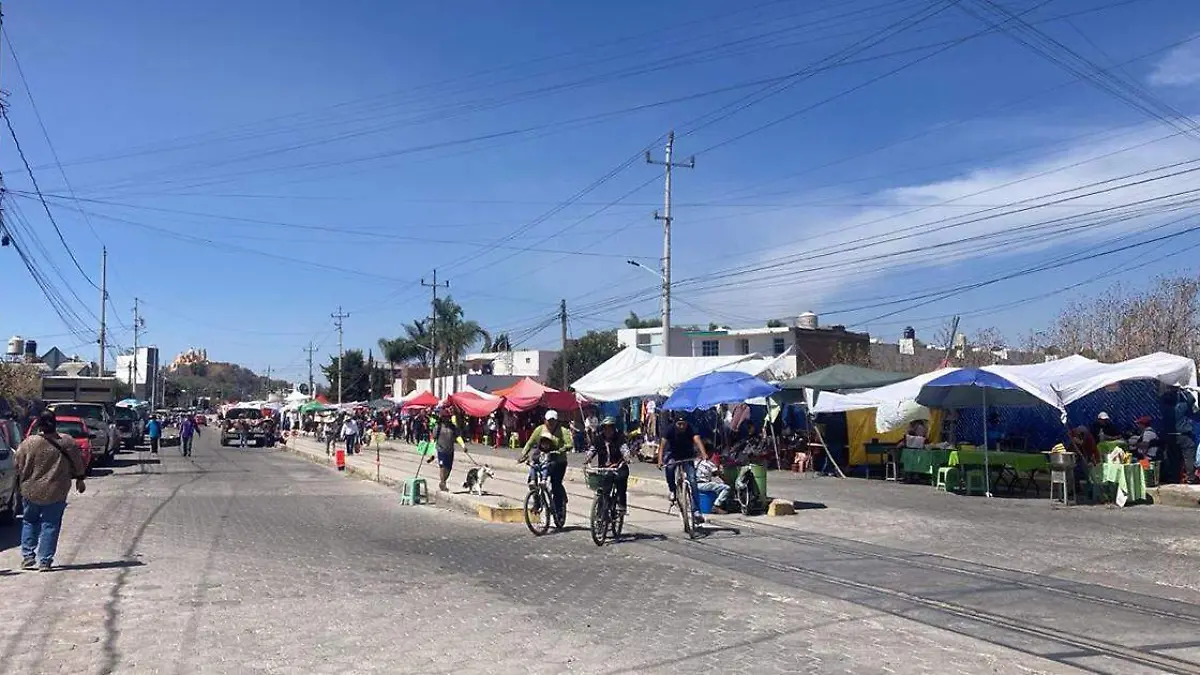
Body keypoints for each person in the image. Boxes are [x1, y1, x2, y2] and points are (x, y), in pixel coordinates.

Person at [14, 411, 86, 571]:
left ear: (39, 424)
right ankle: (45, 560)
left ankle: (27, 556)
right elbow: (77, 461)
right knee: (50, 524)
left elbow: (17, 464)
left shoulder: (28, 443)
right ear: (55, 424)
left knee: (29, 521)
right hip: (56, 490)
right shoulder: (67, 441)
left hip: (30, 490)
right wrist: (80, 478)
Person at [520, 410, 572, 518]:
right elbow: (530, 443)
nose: (551, 423)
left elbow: (569, 444)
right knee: (533, 478)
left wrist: (561, 449)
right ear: (545, 420)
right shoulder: (539, 430)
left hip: (558, 462)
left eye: (553, 421)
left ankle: (559, 511)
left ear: (557, 421)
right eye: (549, 421)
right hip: (543, 460)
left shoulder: (563, 431)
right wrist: (523, 454)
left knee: (555, 484)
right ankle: (537, 502)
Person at [657, 416, 707, 521]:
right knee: (670, 468)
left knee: (693, 480)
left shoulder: (691, 428)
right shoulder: (669, 429)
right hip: (673, 455)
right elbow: (662, 445)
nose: (681, 426)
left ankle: (697, 511)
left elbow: (697, 440)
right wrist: (660, 460)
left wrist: (704, 454)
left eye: (683, 424)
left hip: (687, 455)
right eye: (679, 424)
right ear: (675, 423)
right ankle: (672, 490)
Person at [584, 416, 630, 513]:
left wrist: (626, 457)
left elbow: (624, 449)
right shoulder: (598, 439)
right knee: (604, 488)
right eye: (605, 428)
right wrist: (588, 458)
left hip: (618, 468)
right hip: (604, 469)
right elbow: (592, 450)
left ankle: (621, 505)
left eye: (610, 428)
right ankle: (601, 510)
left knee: (621, 482)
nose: (608, 430)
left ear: (614, 428)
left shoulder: (619, 438)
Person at [424, 407, 466, 492]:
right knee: (442, 467)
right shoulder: (437, 427)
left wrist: (463, 446)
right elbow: (433, 438)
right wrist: (430, 452)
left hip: (450, 450)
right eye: (444, 417)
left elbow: (458, 436)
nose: (446, 418)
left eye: (447, 417)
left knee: (449, 468)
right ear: (441, 418)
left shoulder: (453, 427)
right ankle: (443, 483)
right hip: (441, 450)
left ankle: (443, 482)